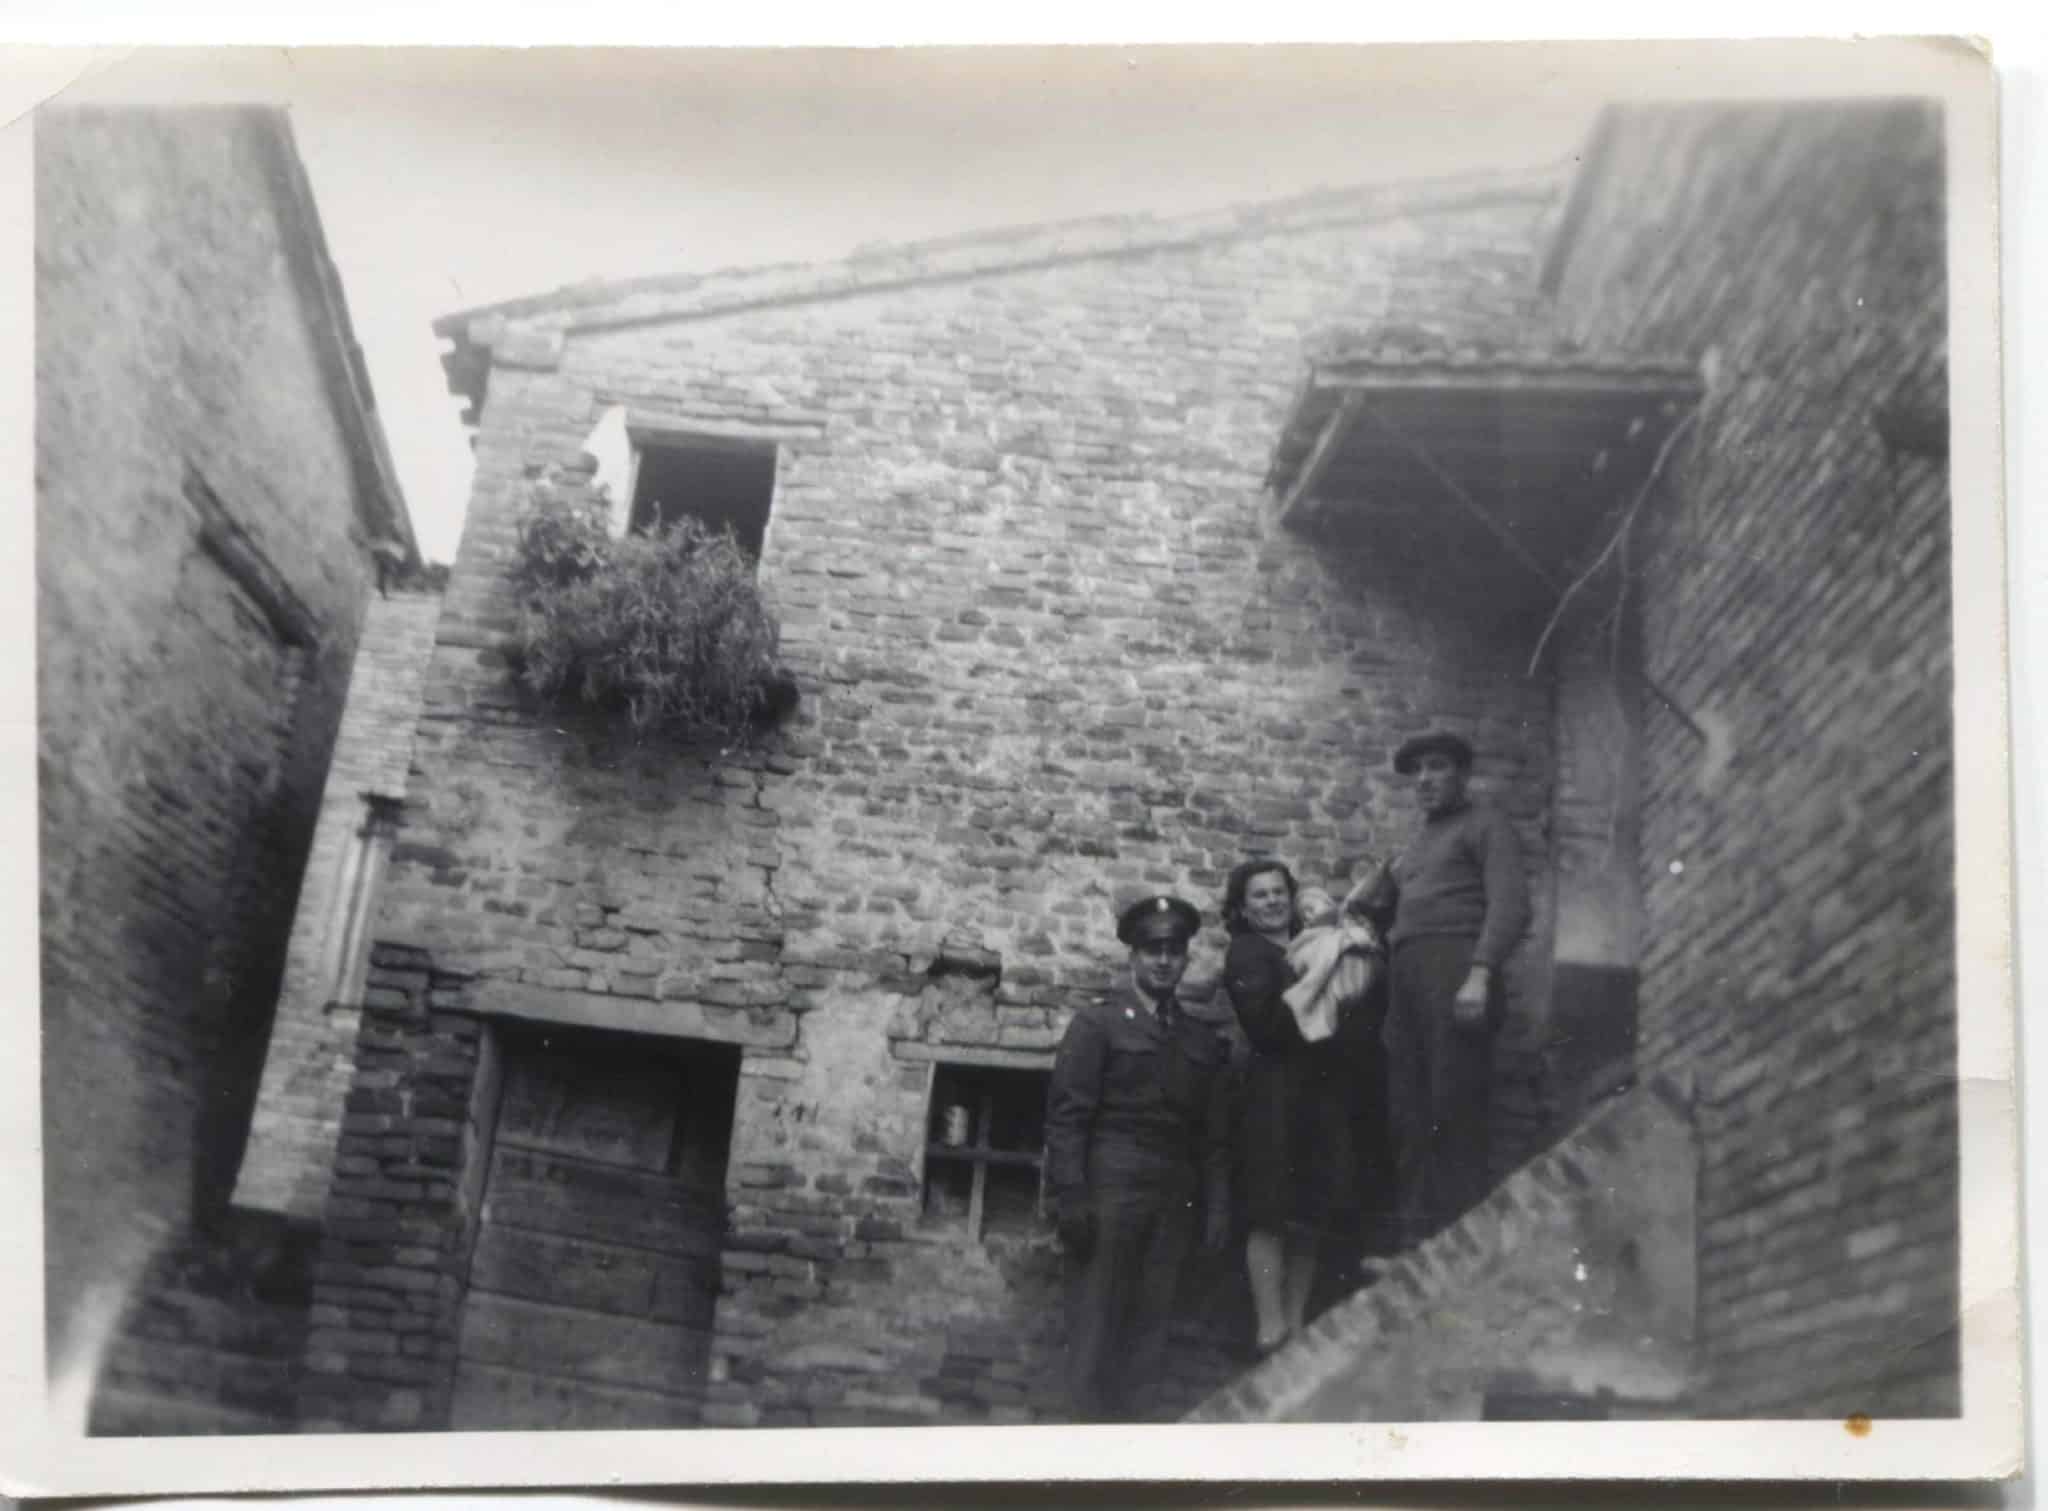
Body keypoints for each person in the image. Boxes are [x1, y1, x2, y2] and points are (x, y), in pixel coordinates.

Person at [1044, 893, 1233, 1422]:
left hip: (1174, 1199)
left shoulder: (1200, 1038)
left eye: (1174, 950)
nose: (1165, 961)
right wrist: (1071, 1197)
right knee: (1095, 1329)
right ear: (1133, 956)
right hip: (1111, 1188)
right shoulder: (1099, 1025)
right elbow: (1067, 1118)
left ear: (1186, 958)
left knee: (1152, 1334)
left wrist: (1216, 1209)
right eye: (1154, 950)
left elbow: (1212, 1138)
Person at [1381, 731, 1532, 1249]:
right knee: (1408, 1112)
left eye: (1438, 766)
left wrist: (1480, 972)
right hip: (1407, 979)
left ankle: (1453, 1244)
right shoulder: (1420, 841)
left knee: (1455, 1108)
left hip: (1455, 972)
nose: (1425, 778)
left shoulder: (1487, 826)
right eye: (1417, 770)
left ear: (1462, 774)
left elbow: (1511, 906)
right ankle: (1413, 1246)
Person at [1220, 860, 1364, 1355]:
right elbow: (1266, 1027)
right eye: (1259, 895)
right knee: (1270, 1209)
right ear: (1242, 908)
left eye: (1279, 892)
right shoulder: (1247, 954)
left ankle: (1297, 1322)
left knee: (1310, 1212)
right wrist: (1317, 983)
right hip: (1274, 1093)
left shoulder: (1312, 944)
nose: (1272, 902)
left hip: (1321, 1092)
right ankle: (1270, 1324)